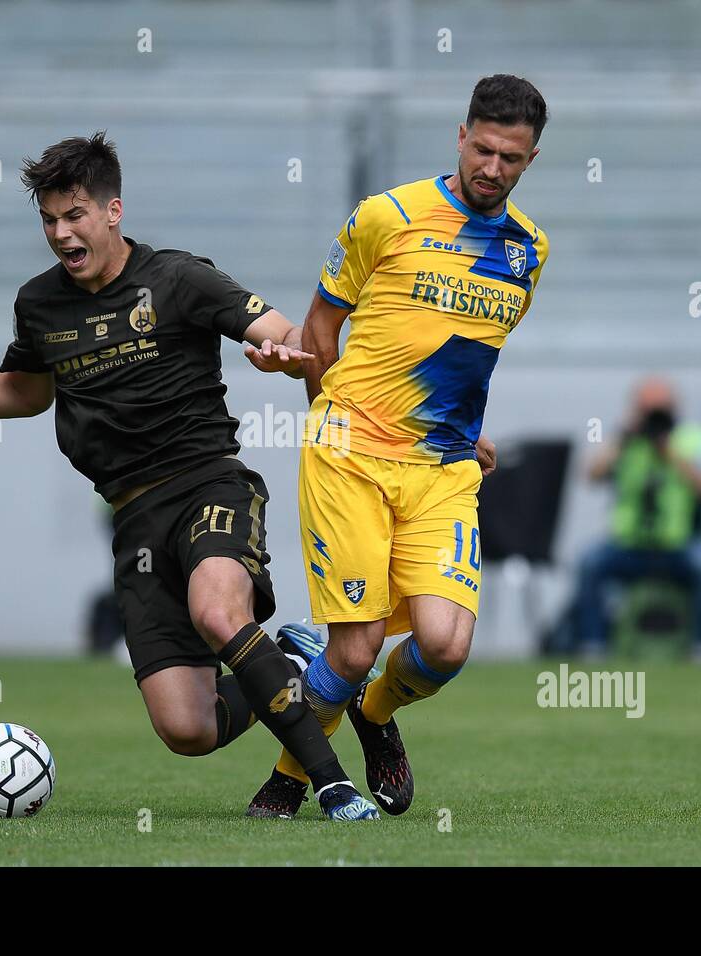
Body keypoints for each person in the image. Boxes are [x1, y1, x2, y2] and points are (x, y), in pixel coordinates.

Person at [0, 132, 377, 820]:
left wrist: (281, 351)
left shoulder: (177, 278)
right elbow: (25, 391)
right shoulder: (40, 305)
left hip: (210, 484)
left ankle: (332, 786)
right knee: (186, 728)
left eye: (74, 215)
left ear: (112, 211)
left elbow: (271, 322)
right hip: (133, 517)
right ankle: (296, 659)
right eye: (49, 219)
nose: (60, 232)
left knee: (216, 611)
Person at [245, 75, 550, 818]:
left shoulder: (527, 251)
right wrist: (335, 420)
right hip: (349, 453)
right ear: (459, 136)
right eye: (483, 149)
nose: (492, 168)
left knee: (445, 647)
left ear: (530, 160)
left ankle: (374, 715)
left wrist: (464, 431)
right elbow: (320, 331)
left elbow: (465, 354)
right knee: (351, 649)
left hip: (442, 470)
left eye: (511, 158)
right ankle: (290, 780)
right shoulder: (386, 216)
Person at [577, 376, 701, 657]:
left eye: (660, 410)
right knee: (589, 562)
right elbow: (591, 475)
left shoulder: (695, 439)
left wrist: (670, 451)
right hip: (629, 545)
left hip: (678, 545)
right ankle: (592, 646)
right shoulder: (626, 441)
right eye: (648, 410)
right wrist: (624, 437)